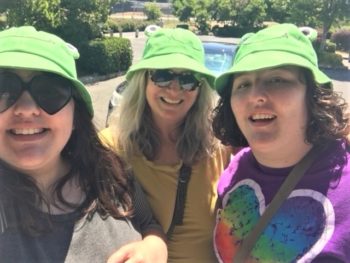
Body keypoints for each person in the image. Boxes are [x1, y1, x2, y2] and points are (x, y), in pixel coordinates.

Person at [0, 26, 167, 263]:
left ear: (75, 114)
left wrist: (153, 248)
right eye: (3, 89)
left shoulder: (110, 172)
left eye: (49, 91)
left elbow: (149, 223)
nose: (26, 109)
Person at [212, 23, 350, 262]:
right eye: (243, 84)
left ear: (314, 95)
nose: (256, 95)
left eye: (277, 79)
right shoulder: (236, 168)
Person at [101, 28, 231, 262]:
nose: (174, 88)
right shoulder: (112, 146)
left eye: (187, 78)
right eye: (162, 75)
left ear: (199, 89)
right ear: (143, 80)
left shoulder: (219, 148)